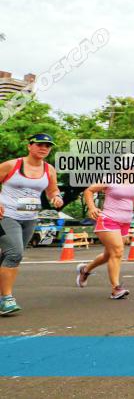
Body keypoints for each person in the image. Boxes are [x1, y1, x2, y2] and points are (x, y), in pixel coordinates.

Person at [0, 133, 64, 315]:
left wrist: (56, 197)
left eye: (48, 146)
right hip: (6, 216)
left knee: (6, 256)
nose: (44, 148)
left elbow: (52, 190)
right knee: (14, 254)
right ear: (29, 146)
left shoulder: (49, 169)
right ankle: (7, 300)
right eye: (39, 144)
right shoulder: (12, 165)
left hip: (30, 218)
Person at [76, 155, 134, 299]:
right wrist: (92, 208)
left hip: (125, 222)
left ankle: (85, 270)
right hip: (108, 219)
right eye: (127, 166)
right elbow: (89, 191)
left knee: (109, 254)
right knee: (118, 251)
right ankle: (116, 289)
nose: (130, 169)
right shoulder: (110, 179)